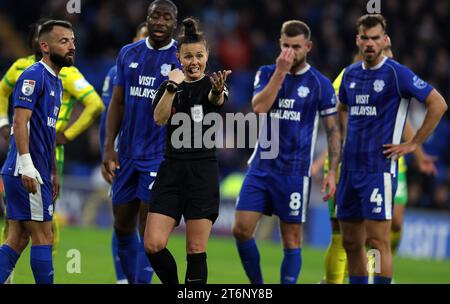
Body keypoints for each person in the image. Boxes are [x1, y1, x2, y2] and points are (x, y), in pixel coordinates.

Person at [336, 14, 447, 284]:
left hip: (378, 170)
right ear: (358, 40)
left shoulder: (397, 73)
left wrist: (414, 143)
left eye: (376, 38)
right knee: (351, 242)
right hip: (349, 170)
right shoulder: (350, 74)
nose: (370, 43)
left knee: (377, 241)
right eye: (366, 38)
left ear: (384, 41)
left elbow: (438, 104)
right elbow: (341, 107)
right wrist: (345, 138)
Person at [232, 20, 341, 284]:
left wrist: (332, 172)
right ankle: (258, 286)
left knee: (291, 238)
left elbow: (333, 132)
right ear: (279, 44)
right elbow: (259, 108)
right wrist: (280, 74)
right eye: (285, 46)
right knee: (241, 230)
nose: (290, 52)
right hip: (261, 167)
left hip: (294, 173)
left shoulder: (320, 84)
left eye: (296, 46)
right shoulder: (267, 71)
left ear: (308, 47)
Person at [0, 18, 104, 283]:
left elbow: (46, 134)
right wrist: (26, 165)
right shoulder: (34, 75)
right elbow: (20, 121)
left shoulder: (57, 82)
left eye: (73, 41)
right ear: (45, 46)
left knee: (18, 238)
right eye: (63, 41)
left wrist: (53, 171)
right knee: (43, 236)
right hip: (27, 171)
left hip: (40, 169)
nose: (71, 46)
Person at [144, 17, 230, 284]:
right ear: (179, 57)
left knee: (195, 249)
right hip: (171, 171)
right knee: (153, 244)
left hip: (202, 173)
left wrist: (217, 91)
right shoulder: (169, 86)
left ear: (207, 56)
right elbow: (158, 118)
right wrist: (172, 86)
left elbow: (217, 99)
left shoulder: (214, 85)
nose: (194, 61)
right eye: (188, 56)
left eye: (199, 55)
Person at [102, 0, 179, 284]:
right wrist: (109, 146)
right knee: (122, 225)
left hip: (160, 157)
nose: (159, 22)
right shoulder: (128, 53)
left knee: (148, 231)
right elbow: (117, 103)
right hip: (127, 153)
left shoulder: (181, 58)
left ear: (175, 23)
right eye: (154, 16)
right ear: (147, 19)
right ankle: (131, 280)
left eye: (166, 17)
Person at [99, 22, 148, 284]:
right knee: (123, 220)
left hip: (153, 157)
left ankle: (140, 279)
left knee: (148, 225)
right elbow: (109, 115)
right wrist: (106, 153)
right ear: (134, 39)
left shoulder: (169, 66)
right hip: (123, 155)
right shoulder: (117, 70)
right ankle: (123, 279)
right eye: (142, 37)